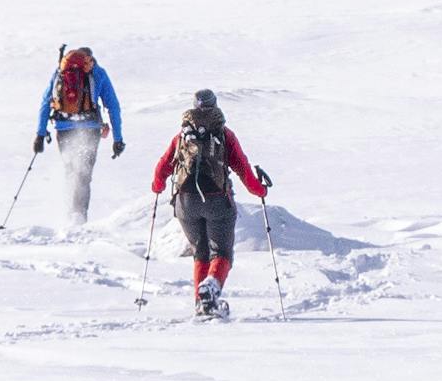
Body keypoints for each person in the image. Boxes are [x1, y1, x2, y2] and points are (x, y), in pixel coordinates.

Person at [150, 90, 271, 319]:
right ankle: (211, 287)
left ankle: (202, 302)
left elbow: (162, 167)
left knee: (200, 252)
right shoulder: (225, 135)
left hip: (185, 203)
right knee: (221, 252)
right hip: (217, 200)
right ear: (215, 106)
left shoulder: (182, 136)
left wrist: (157, 187)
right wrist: (260, 190)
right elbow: (243, 169)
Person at [34, 45, 125, 224]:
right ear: (90, 60)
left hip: (63, 128)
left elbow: (46, 103)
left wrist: (40, 134)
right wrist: (118, 138)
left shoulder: (60, 72)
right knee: (84, 173)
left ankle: (70, 213)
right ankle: (79, 216)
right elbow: (113, 106)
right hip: (90, 129)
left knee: (70, 170)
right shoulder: (98, 73)